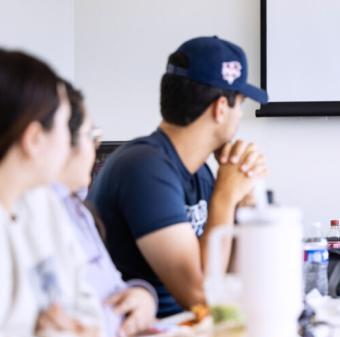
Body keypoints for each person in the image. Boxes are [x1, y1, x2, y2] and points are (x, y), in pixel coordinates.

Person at [89, 36, 268, 317]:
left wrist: (243, 205)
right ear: (221, 108)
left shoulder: (200, 172)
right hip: (142, 335)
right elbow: (200, 296)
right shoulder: (144, 168)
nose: (239, 117)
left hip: (186, 330)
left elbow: (230, 284)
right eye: (240, 105)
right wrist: (225, 196)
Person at [0, 49, 103, 337]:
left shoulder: (42, 202)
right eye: (63, 125)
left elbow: (89, 310)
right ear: (34, 139)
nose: (70, 144)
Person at [53, 81, 157, 337]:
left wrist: (142, 296)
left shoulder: (76, 208)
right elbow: (72, 323)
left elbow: (113, 287)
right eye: (91, 135)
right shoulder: (40, 217)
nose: (96, 146)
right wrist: (121, 318)